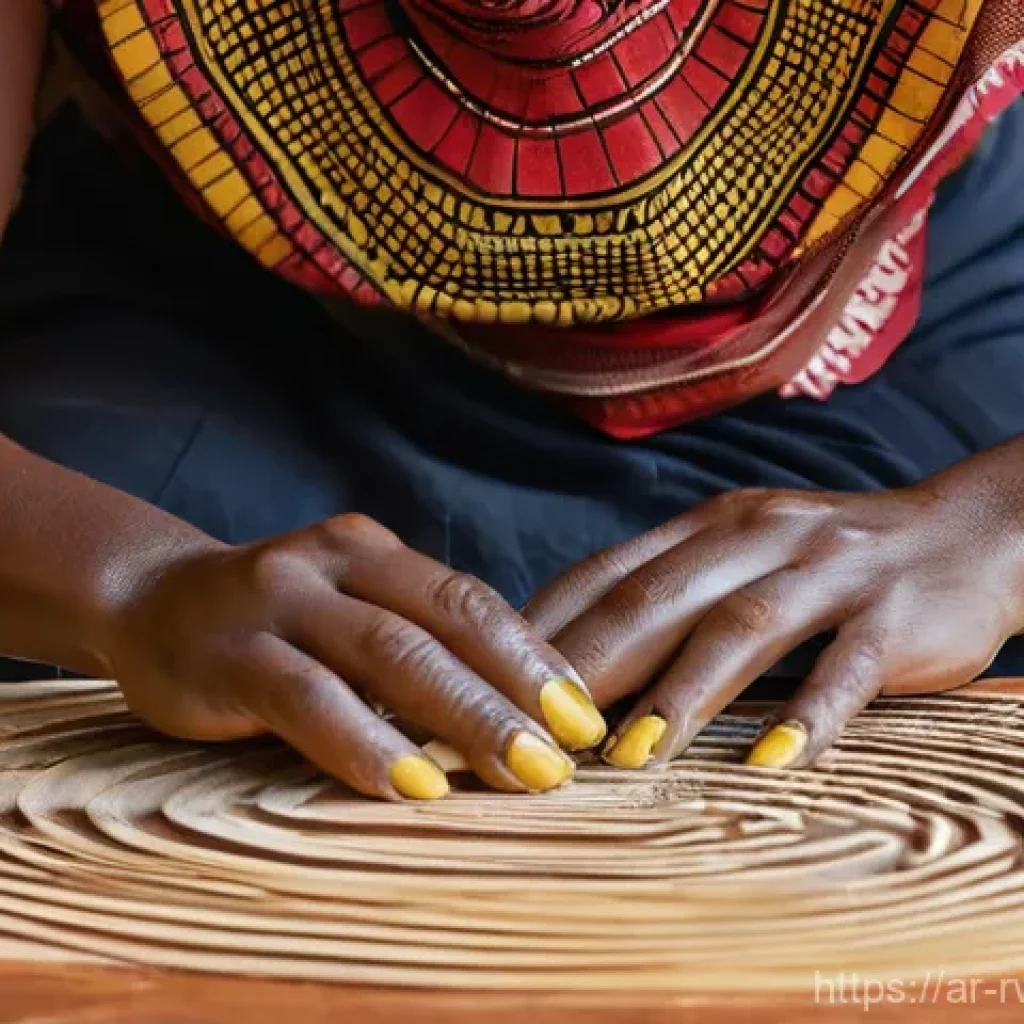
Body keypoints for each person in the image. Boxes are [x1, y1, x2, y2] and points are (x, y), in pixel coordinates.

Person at [1, 0, 1022, 801]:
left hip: (919, 319)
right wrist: (135, 586)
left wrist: (989, 530)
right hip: (229, 314)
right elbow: (122, 584)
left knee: (899, 670)